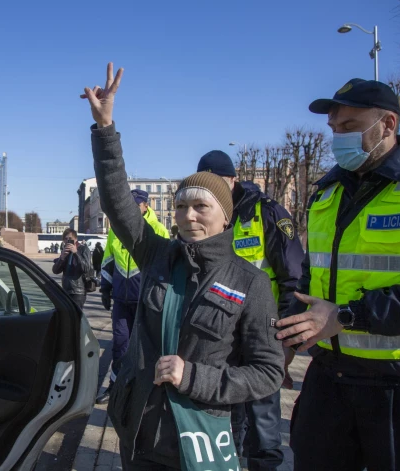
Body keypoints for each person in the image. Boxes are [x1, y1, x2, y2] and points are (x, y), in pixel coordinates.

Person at [82, 63, 283, 470]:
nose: (188, 216)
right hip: (140, 433)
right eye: (180, 206)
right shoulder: (159, 255)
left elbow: (266, 374)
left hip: (200, 438)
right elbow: (118, 204)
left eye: (200, 206)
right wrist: (106, 131)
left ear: (224, 216)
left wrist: (193, 376)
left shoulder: (251, 282)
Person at [275, 79, 400, 470]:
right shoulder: (327, 192)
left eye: (349, 128)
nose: (338, 139)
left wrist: (348, 316)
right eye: (334, 130)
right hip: (330, 378)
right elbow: (309, 279)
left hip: (397, 387)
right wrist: (289, 339)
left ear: (387, 124)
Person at [197, 150, 304, 470]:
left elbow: (293, 279)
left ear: (232, 180)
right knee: (225, 420)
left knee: (263, 425)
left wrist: (286, 339)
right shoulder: (207, 217)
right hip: (221, 335)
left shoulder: (266, 213)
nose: (209, 192)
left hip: (263, 333)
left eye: (215, 183)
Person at [96, 189, 169, 405]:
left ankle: (143, 393)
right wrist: (105, 289)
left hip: (144, 301)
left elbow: (163, 269)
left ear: (146, 206)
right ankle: (116, 388)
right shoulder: (116, 230)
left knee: (145, 349)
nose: (133, 210)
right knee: (120, 345)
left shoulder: (158, 230)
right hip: (121, 299)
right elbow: (108, 261)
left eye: (137, 206)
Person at [52, 228, 92, 308]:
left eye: (70, 239)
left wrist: (76, 253)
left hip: (78, 291)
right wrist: (62, 258)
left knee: (75, 317)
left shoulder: (83, 249)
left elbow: (86, 268)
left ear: (76, 239)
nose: (67, 241)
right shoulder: (65, 251)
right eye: (65, 239)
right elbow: (55, 270)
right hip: (66, 290)